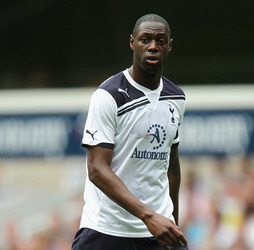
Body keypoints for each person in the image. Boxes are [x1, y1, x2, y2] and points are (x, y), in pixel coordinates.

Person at [72, 13, 188, 250]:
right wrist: (148, 217)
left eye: (160, 41)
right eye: (146, 39)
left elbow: (171, 164)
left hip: (156, 232)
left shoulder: (176, 98)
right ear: (132, 42)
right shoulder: (108, 96)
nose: (153, 47)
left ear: (169, 46)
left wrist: (170, 219)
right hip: (107, 230)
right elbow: (96, 168)